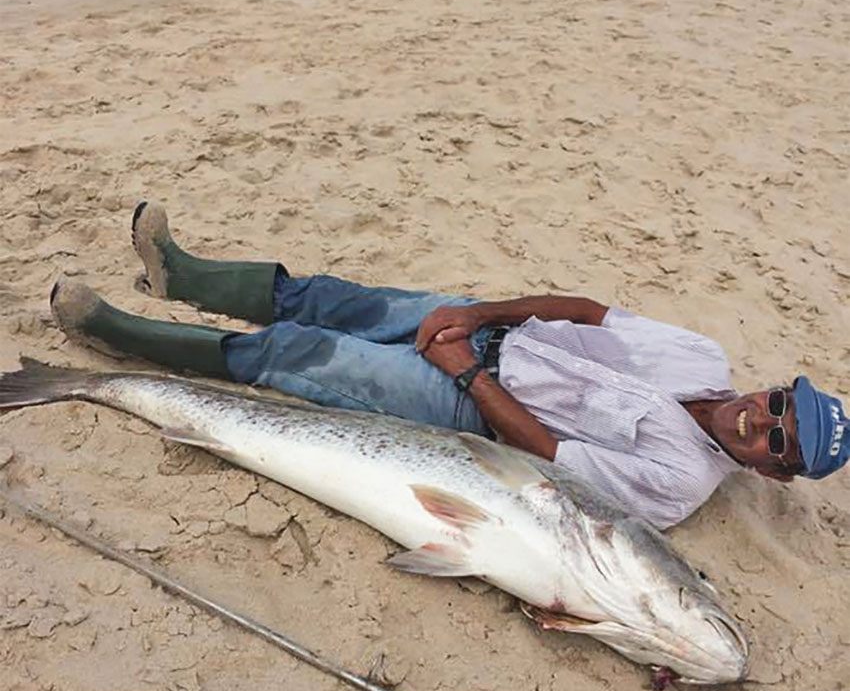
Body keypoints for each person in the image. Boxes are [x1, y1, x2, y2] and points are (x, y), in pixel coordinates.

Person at [49, 201, 849, 530]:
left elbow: (550, 455)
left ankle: (116, 332)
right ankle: (182, 275)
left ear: (775, 474)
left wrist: (466, 372)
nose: (764, 422)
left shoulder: (680, 483)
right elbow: (586, 310)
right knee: (333, 299)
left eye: (781, 444)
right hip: (494, 334)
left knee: (301, 357)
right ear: (776, 388)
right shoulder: (703, 356)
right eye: (782, 406)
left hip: (469, 403)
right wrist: (477, 313)